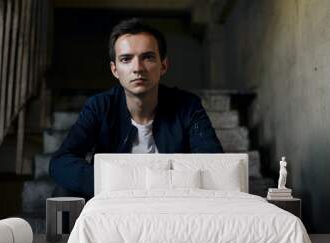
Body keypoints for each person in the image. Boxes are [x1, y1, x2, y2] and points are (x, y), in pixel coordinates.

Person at [49, 18, 223, 199]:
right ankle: (63, 230)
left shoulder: (187, 106)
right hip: (114, 200)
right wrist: (113, 183)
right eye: (126, 59)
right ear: (115, 69)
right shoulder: (100, 106)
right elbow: (61, 161)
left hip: (172, 201)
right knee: (63, 192)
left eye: (147, 57)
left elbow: (215, 163)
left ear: (163, 65)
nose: (138, 68)